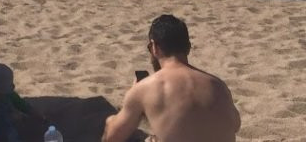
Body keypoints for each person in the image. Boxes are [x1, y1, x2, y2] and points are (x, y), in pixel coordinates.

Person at [102, 14, 240, 142]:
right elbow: (235, 125)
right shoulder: (218, 85)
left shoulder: (144, 89)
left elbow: (112, 137)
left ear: (154, 47)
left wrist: (112, 118)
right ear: (188, 47)